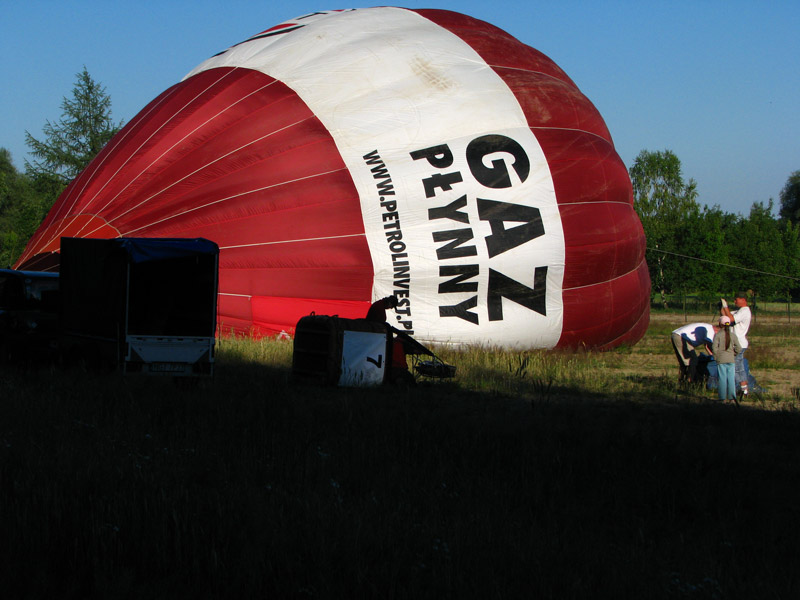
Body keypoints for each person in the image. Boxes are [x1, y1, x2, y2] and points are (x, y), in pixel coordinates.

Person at [720, 291, 757, 396]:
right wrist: (722, 307)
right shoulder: (738, 311)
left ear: (743, 300)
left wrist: (725, 306)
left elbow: (731, 319)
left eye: (736, 299)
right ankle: (742, 389)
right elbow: (726, 316)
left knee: (737, 367)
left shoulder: (745, 311)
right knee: (736, 366)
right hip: (734, 343)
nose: (735, 301)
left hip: (739, 343)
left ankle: (743, 390)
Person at [712, 315, 741, 402]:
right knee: (731, 379)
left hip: (721, 360)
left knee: (722, 379)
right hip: (731, 359)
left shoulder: (718, 335)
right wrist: (733, 354)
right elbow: (738, 348)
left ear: (720, 324)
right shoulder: (733, 335)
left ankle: (722, 398)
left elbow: (714, 348)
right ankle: (732, 398)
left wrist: (716, 357)